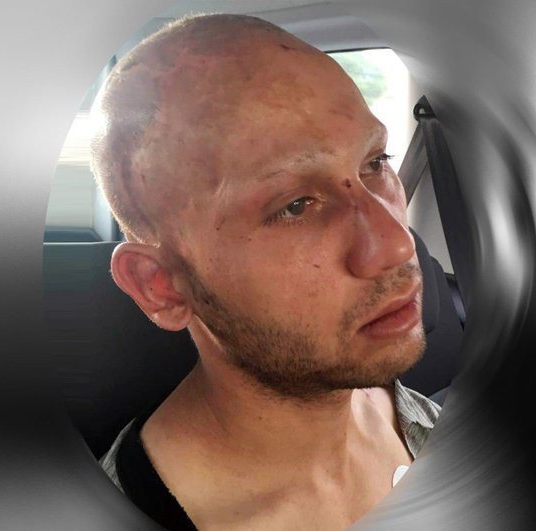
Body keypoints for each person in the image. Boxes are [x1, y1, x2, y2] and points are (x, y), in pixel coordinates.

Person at [90, 13, 441, 530]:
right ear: (160, 286)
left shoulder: (427, 420)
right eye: (295, 206)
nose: (397, 244)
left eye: (375, 162)